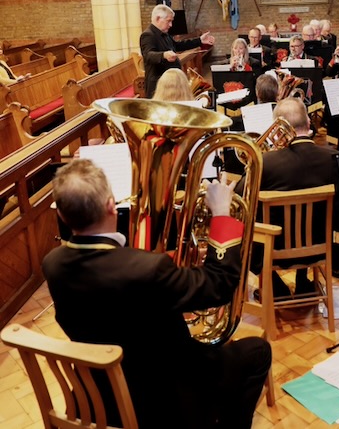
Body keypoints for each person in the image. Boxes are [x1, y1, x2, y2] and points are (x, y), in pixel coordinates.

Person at [42, 159, 271, 429]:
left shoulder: (52, 264)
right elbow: (219, 284)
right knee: (258, 351)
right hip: (166, 402)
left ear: (61, 215)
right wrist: (221, 213)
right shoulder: (148, 269)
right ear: (111, 205)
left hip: (99, 395)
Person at [241, 97, 338, 297]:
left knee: (249, 218)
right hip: (320, 246)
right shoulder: (333, 157)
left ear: (277, 129)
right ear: (309, 123)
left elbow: (241, 196)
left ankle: (275, 286)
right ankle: (303, 281)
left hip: (273, 250)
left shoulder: (265, 163)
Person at [140, 4, 215, 98]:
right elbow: (148, 55)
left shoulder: (165, 34)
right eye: (169, 21)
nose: (171, 25)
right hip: (159, 86)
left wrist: (199, 40)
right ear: (158, 18)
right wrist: (164, 55)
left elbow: (177, 45)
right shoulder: (148, 35)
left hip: (171, 84)